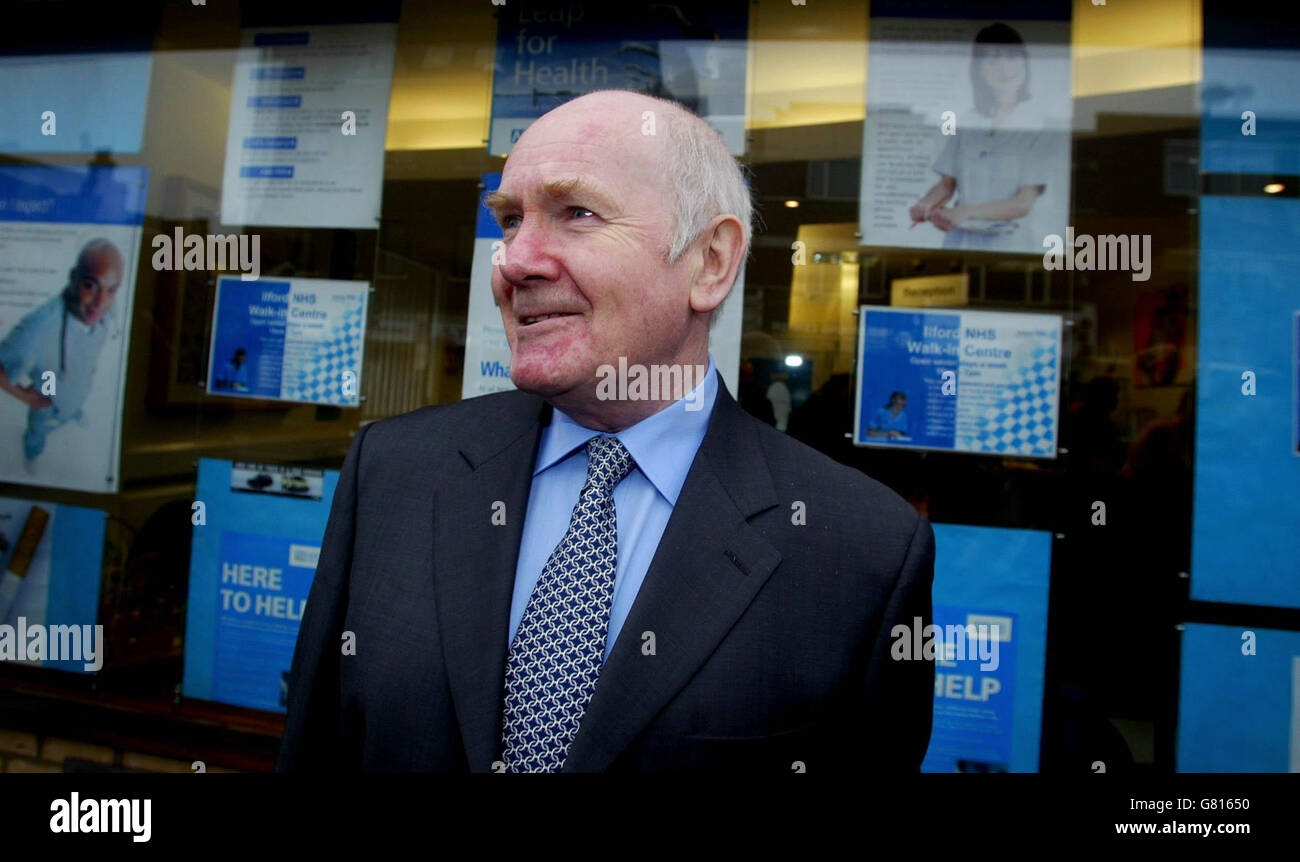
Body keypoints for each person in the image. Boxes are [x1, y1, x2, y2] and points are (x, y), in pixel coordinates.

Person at [279, 90, 935, 773]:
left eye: (577, 214)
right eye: (509, 220)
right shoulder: (393, 472)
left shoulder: (863, 551)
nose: (515, 261)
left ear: (710, 261)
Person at [907, 23, 1056, 252]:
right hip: (961, 241)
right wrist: (925, 205)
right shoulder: (969, 121)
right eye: (992, 59)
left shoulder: (1039, 124)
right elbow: (948, 184)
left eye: (1011, 57)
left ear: (1024, 63)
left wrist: (966, 210)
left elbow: (1023, 203)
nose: (1004, 67)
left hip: (1009, 245)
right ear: (979, 70)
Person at [0, 238, 123, 473]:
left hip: (76, 388)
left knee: (74, 399)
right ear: (73, 278)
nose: (101, 302)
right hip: (50, 391)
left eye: (111, 290)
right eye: (90, 285)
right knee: (37, 431)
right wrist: (27, 398)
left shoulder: (105, 305)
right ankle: (31, 455)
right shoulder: (38, 329)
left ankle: (74, 411)